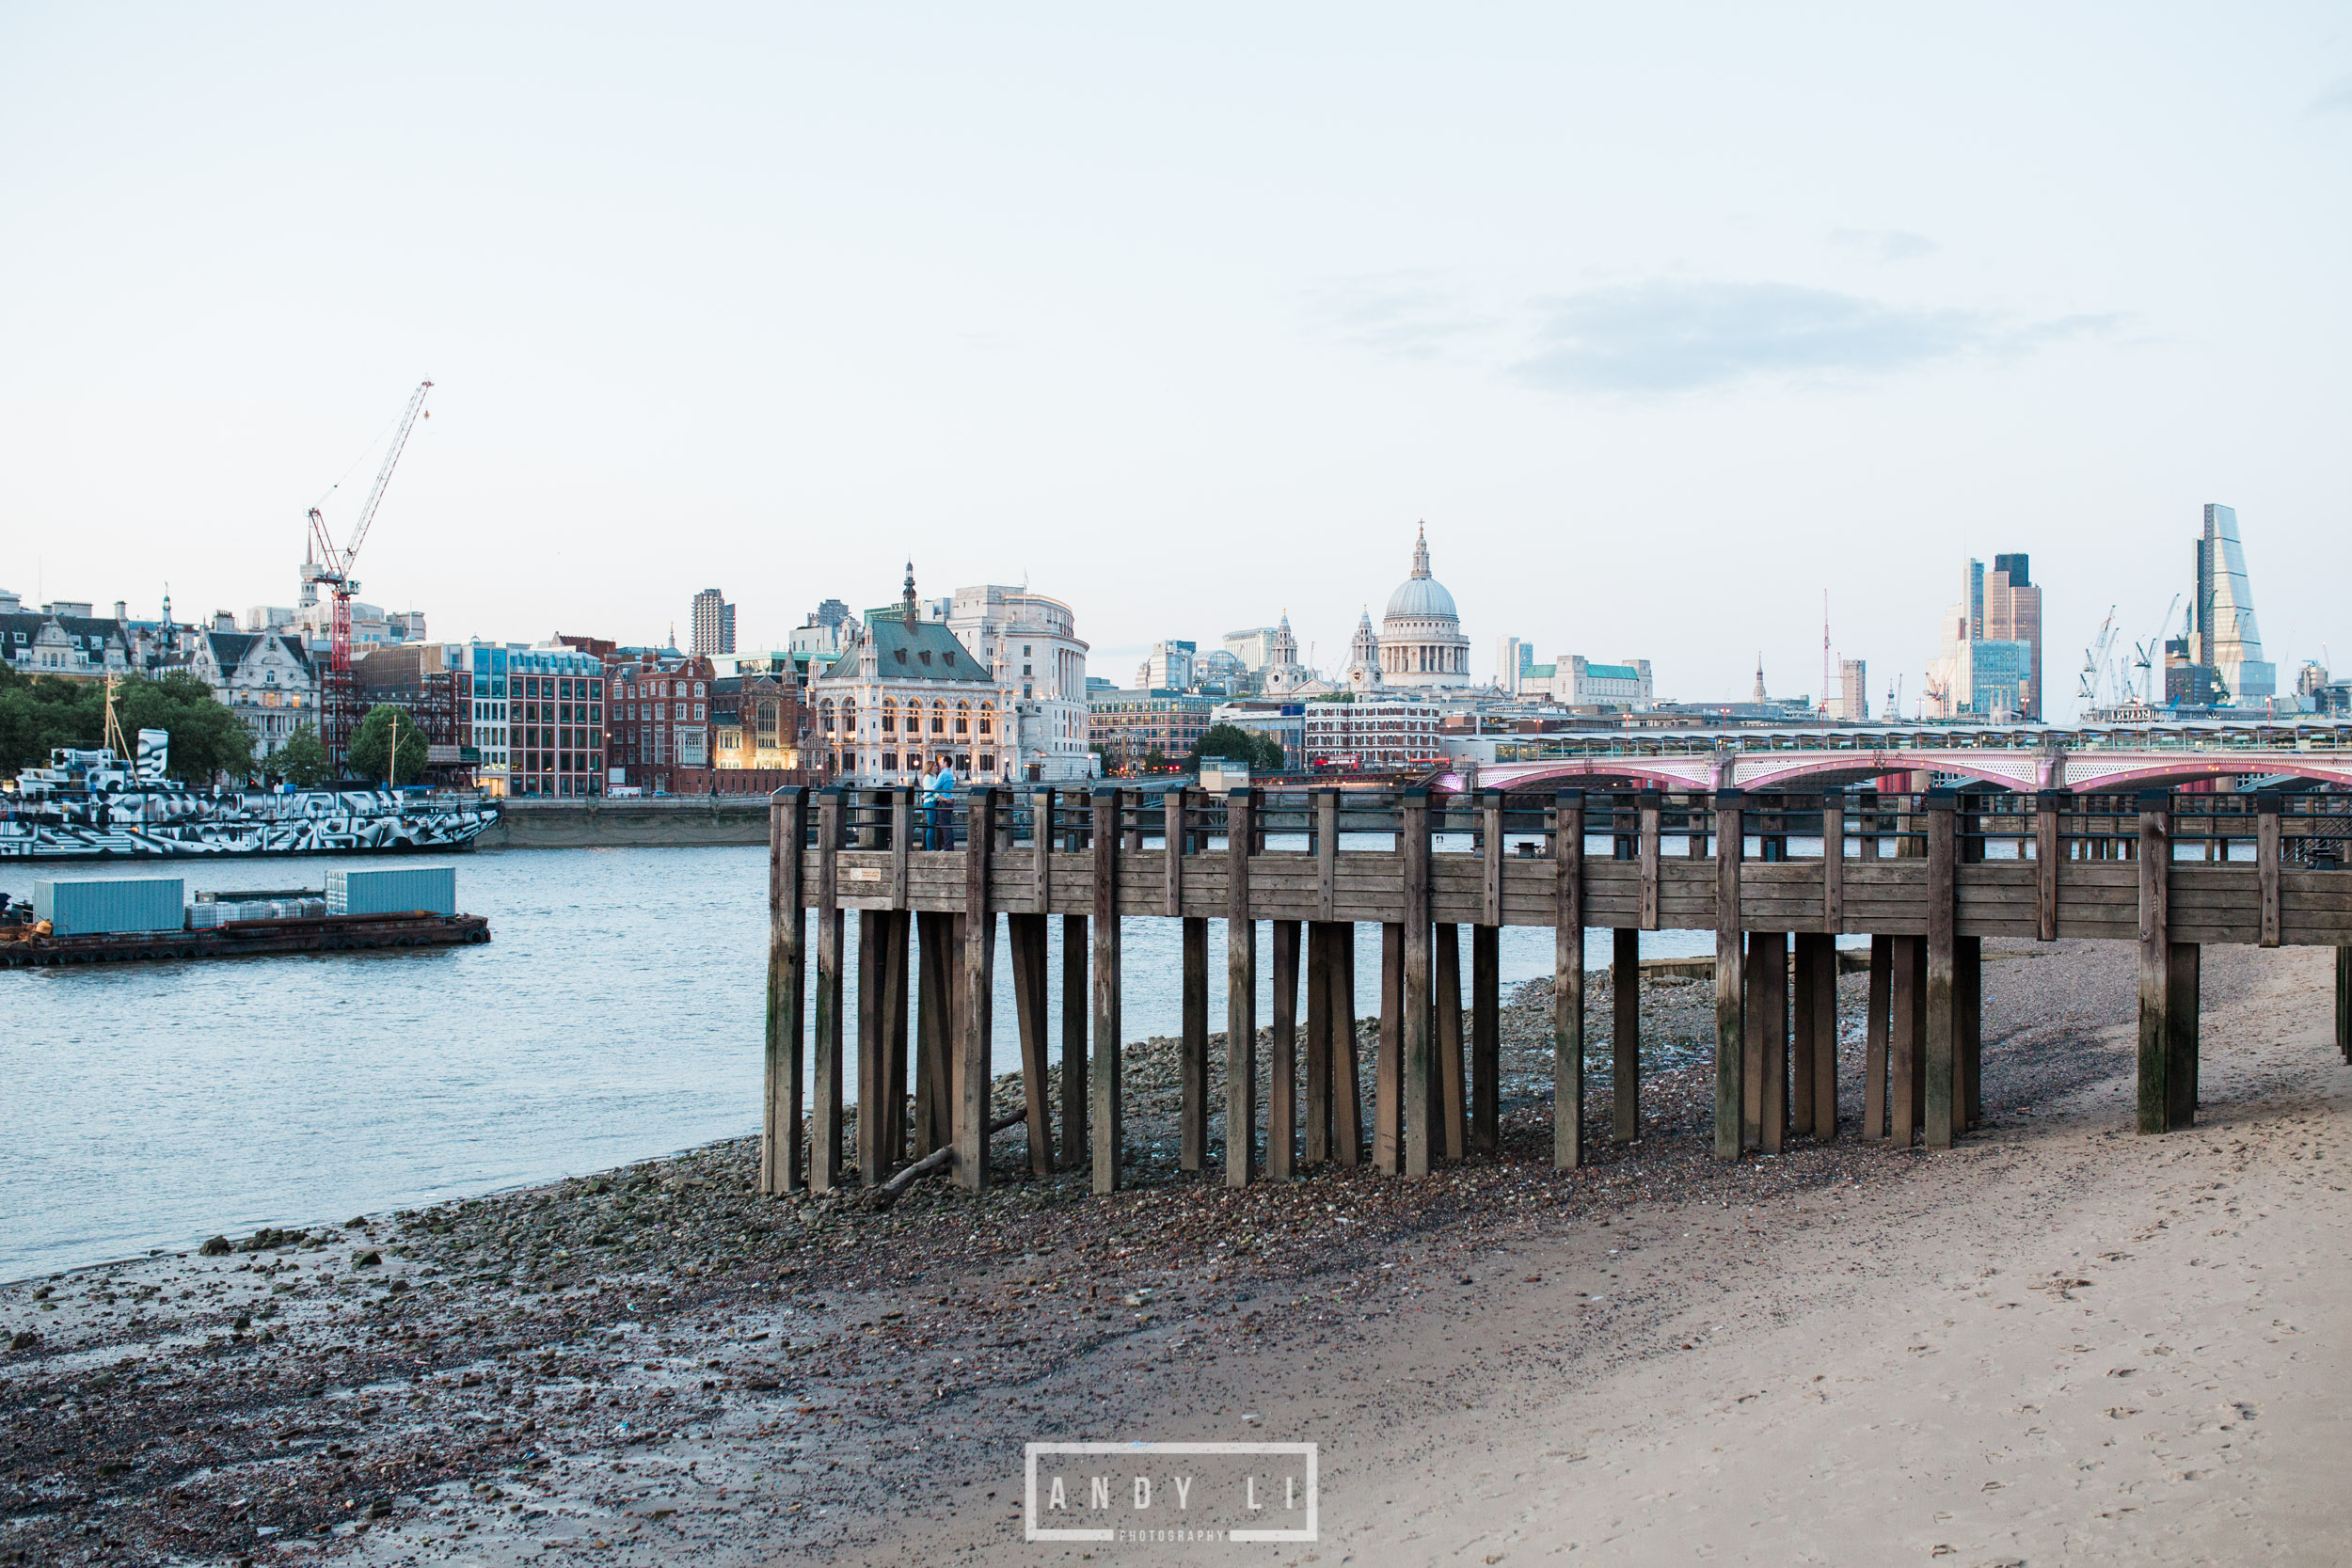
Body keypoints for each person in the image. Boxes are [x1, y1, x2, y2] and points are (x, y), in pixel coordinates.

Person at [923, 759, 958, 849]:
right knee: (931, 826)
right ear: (929, 767)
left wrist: (925, 795)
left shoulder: (936, 776)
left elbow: (934, 789)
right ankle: (930, 848)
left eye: (938, 764)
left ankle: (941, 847)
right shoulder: (928, 777)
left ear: (945, 763)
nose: (937, 766)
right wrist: (944, 799)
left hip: (935, 802)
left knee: (937, 825)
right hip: (930, 802)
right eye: (934, 765)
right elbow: (933, 791)